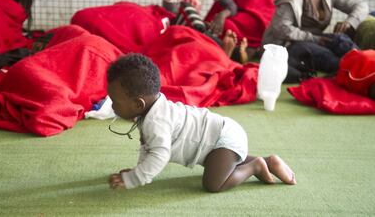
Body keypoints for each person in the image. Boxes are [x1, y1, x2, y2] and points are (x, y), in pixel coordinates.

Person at [107, 53, 296, 192]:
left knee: (214, 184)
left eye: (115, 101)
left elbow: (159, 155)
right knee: (223, 163)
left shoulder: (157, 121)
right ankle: (269, 162)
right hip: (218, 140)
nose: (113, 105)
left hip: (222, 140)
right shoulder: (151, 112)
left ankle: (255, 166)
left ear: (138, 104)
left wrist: (134, 178)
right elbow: (147, 147)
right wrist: (138, 170)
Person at [262, 0, 369, 83]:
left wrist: (349, 22)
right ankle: (357, 69)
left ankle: (367, 61)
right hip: (288, 46)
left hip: (315, 39)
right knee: (329, 57)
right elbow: (281, 29)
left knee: (341, 39)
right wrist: (314, 39)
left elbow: (361, 5)